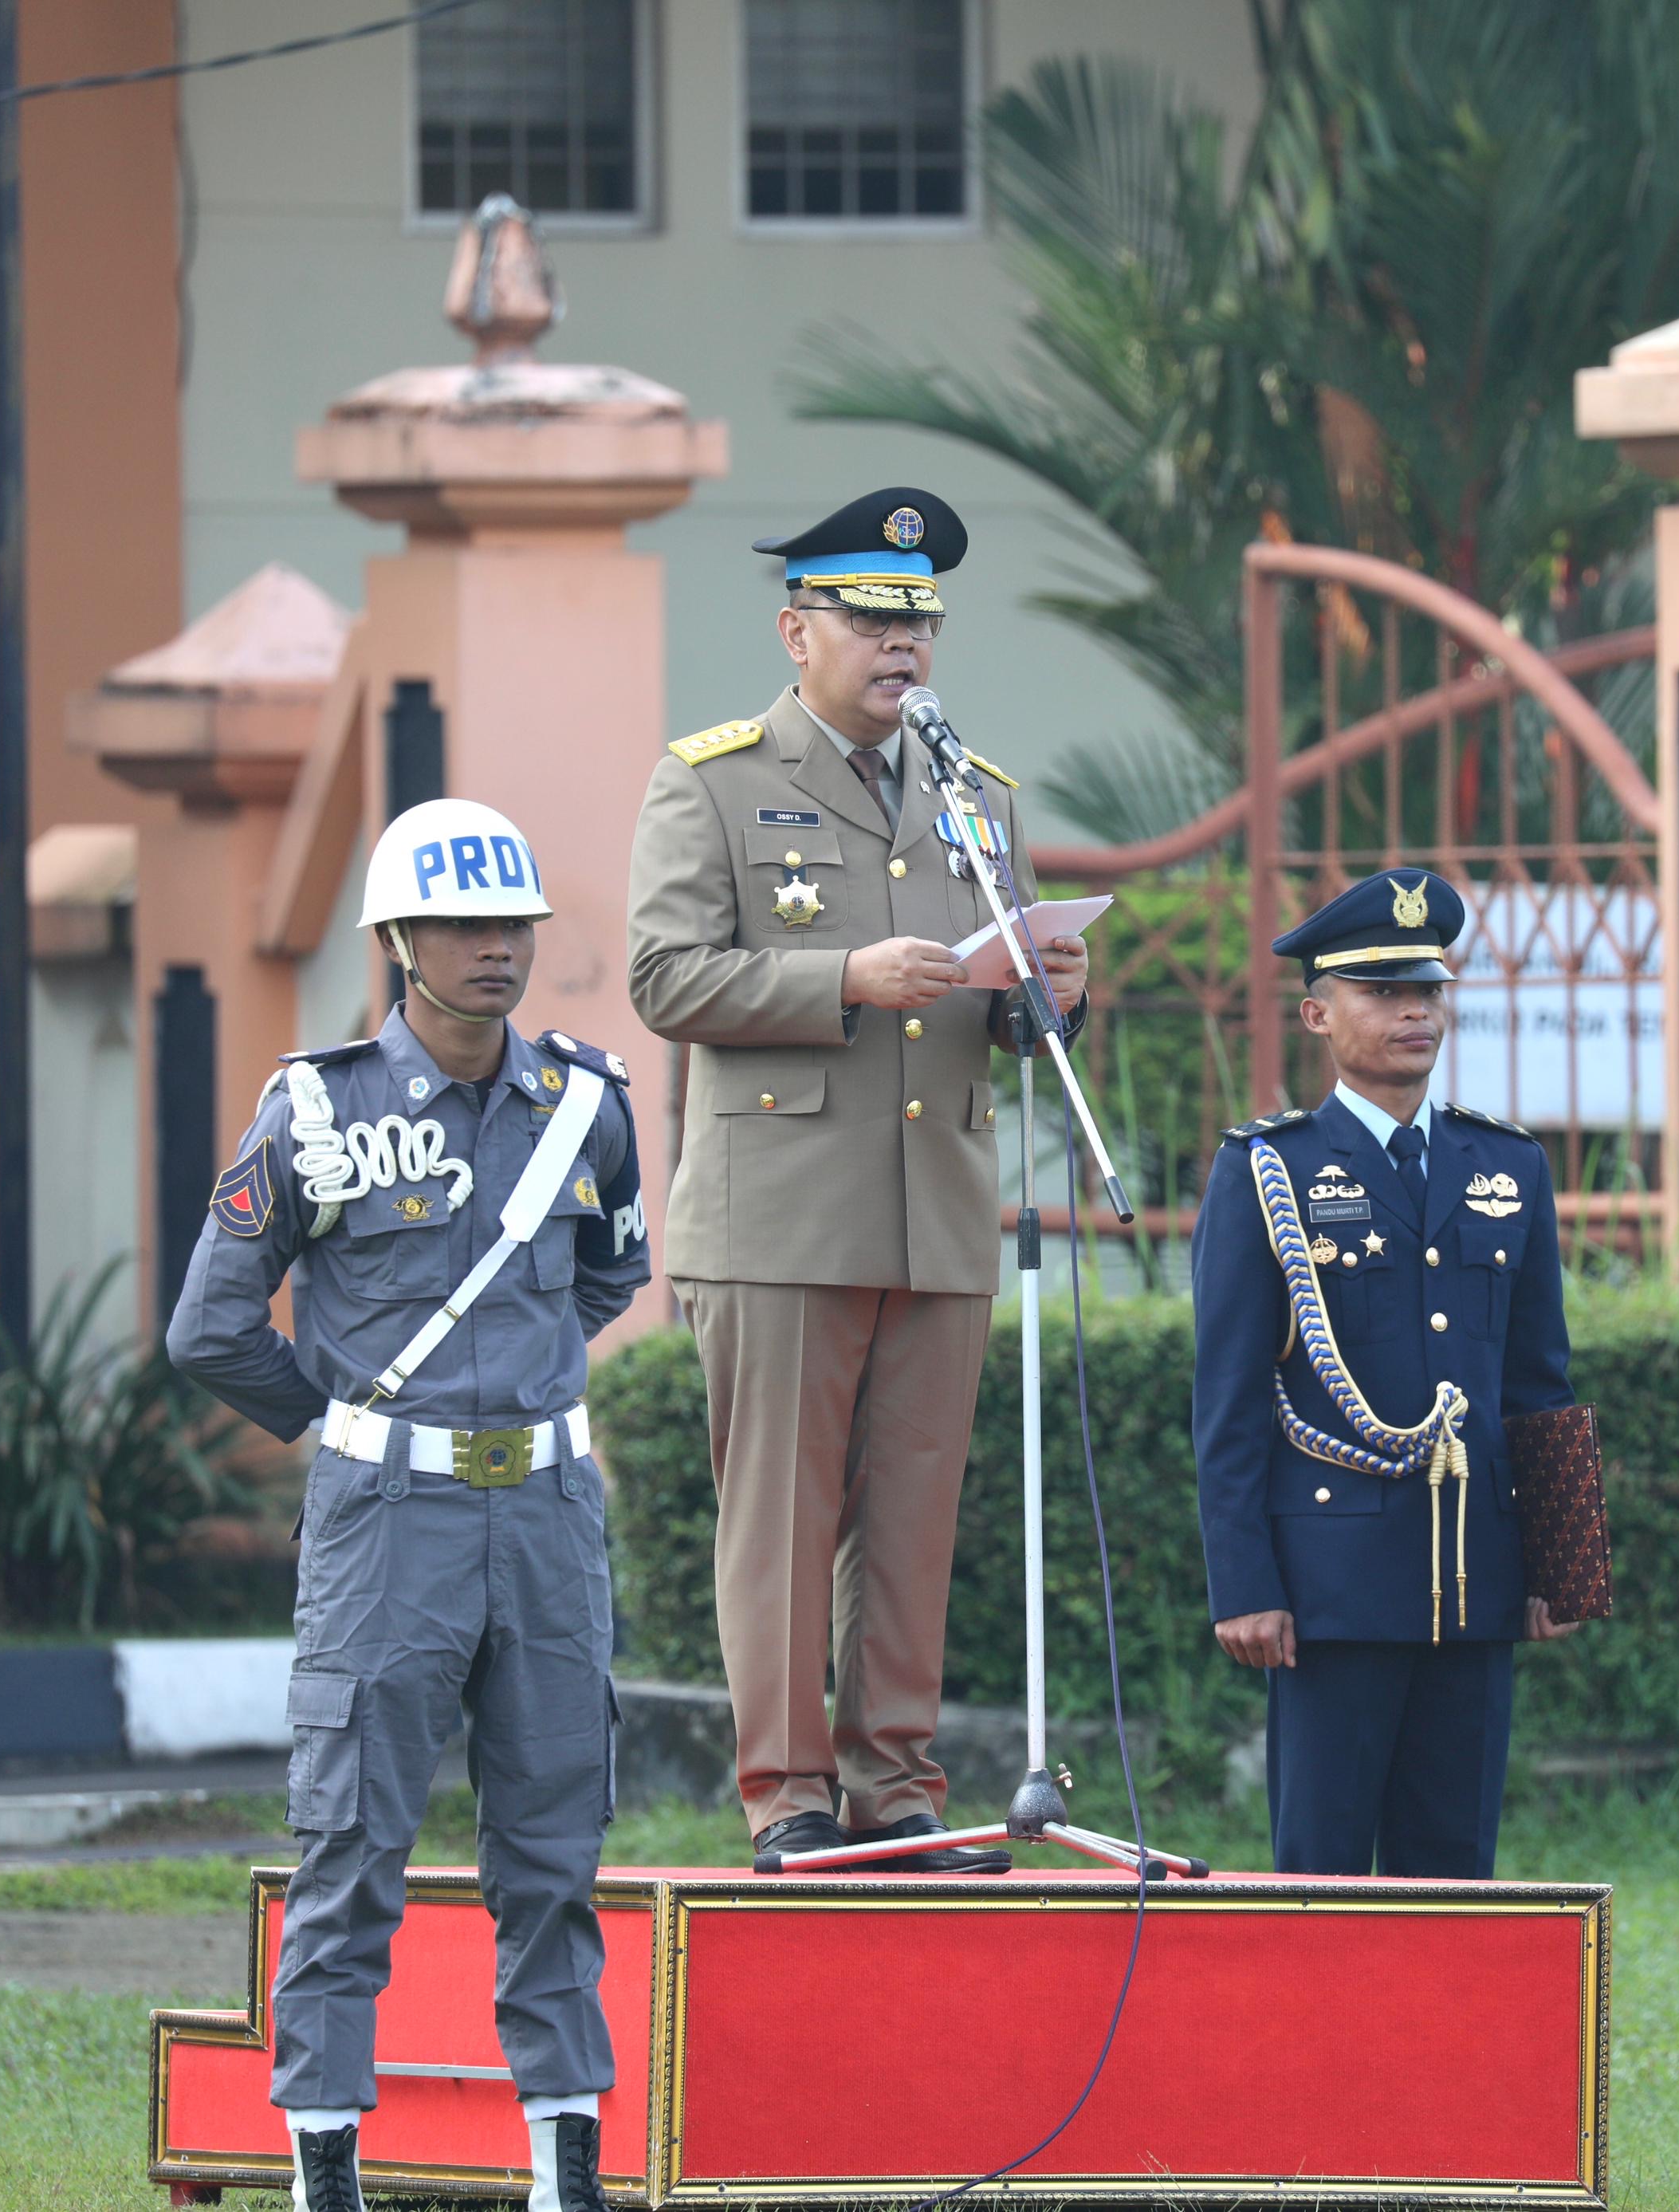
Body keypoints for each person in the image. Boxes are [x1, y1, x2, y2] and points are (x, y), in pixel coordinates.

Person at [167, 800, 647, 2212]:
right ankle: (329, 2175)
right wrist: (339, 1414)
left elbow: (607, 1272)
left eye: (514, 925)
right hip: (389, 1523)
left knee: (556, 1850)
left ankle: (567, 2174)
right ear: (397, 941)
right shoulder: (314, 1109)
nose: (497, 948)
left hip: (552, 1514)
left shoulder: (585, 1102)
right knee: (352, 1846)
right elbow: (209, 1321)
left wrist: (521, 1374)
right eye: (463, 926)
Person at [626, 486, 1087, 1875]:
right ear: (796, 629)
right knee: (778, 1512)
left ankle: (897, 1784)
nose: (904, 645)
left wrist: (1053, 989)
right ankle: (788, 1791)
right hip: (776, 1215)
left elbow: (1008, 1007)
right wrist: (843, 975)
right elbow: (664, 974)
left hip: (934, 1204)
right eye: (873, 619)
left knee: (912, 1512)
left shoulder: (977, 791)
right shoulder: (711, 778)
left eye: (921, 620)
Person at [1188, 868, 1577, 1879]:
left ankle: (1442, 2049)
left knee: (1455, 1867)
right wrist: (1244, 1584)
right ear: (1317, 1013)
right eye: (1380, 990)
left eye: (1428, 988)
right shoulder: (1265, 1169)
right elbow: (1228, 1402)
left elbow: (1538, 1376)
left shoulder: (1507, 1167)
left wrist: (1563, 1559)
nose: (1414, 1009)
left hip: (1474, 1575)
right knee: (1320, 1866)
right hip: (1330, 1583)